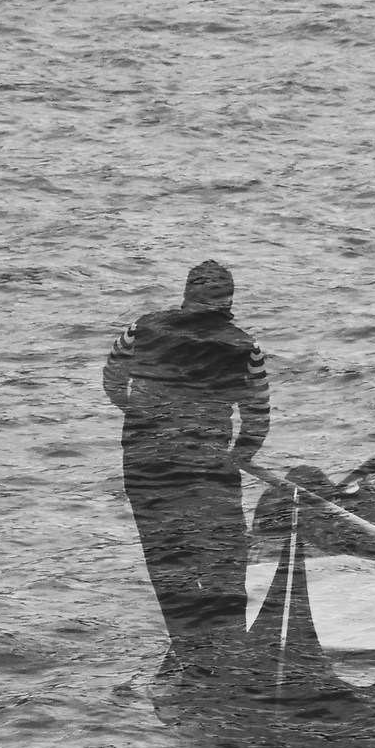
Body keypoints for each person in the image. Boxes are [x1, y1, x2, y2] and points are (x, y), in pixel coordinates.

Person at [105, 260, 271, 671]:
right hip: (208, 464)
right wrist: (238, 456)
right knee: (222, 556)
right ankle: (227, 649)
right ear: (229, 300)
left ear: (186, 295)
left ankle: (189, 651)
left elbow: (112, 381)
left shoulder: (141, 328)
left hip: (144, 460)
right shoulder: (245, 347)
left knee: (166, 557)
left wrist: (143, 416)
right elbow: (257, 418)